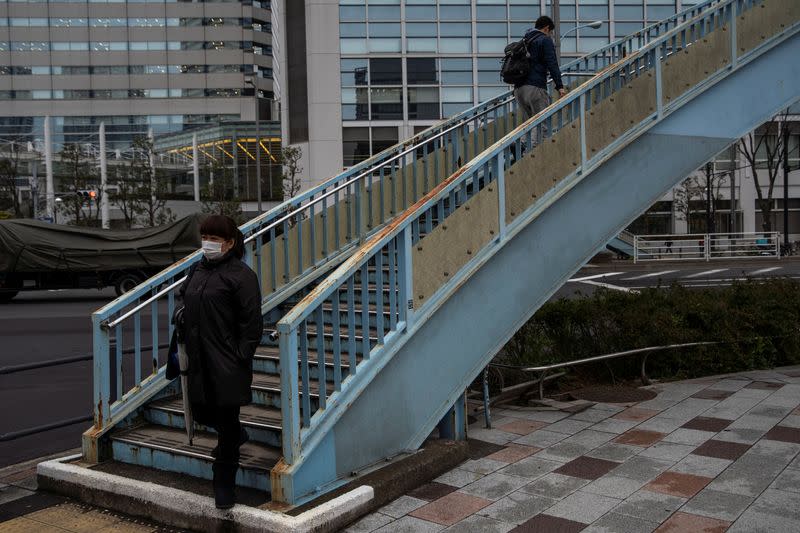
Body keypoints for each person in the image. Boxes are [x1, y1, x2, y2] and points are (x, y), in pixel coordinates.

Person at [180, 214, 263, 509]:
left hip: (227, 362)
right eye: (206, 237)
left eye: (215, 239)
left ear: (229, 243)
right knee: (202, 413)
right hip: (199, 360)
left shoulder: (241, 276)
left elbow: (252, 323)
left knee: (226, 424)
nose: (208, 243)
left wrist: (240, 356)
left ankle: (223, 483)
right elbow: (184, 301)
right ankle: (237, 435)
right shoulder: (197, 270)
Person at [514, 16, 567, 145]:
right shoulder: (544, 40)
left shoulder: (525, 40)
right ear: (547, 28)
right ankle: (532, 152)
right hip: (535, 86)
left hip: (519, 89)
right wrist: (559, 86)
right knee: (542, 123)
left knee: (530, 122)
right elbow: (552, 63)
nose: (551, 35)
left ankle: (520, 144)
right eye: (551, 32)